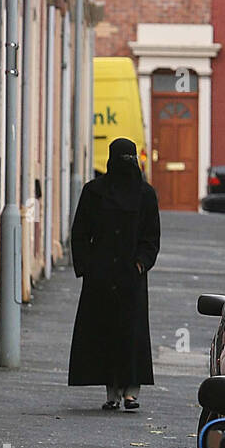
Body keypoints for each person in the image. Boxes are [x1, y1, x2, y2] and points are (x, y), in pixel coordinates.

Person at [67, 138, 161, 411]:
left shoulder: (145, 195)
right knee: (105, 333)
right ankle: (112, 392)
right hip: (102, 276)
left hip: (131, 277)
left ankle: (131, 391)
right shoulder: (94, 192)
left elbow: (151, 236)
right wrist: (87, 266)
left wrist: (141, 263)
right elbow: (81, 232)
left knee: (131, 334)